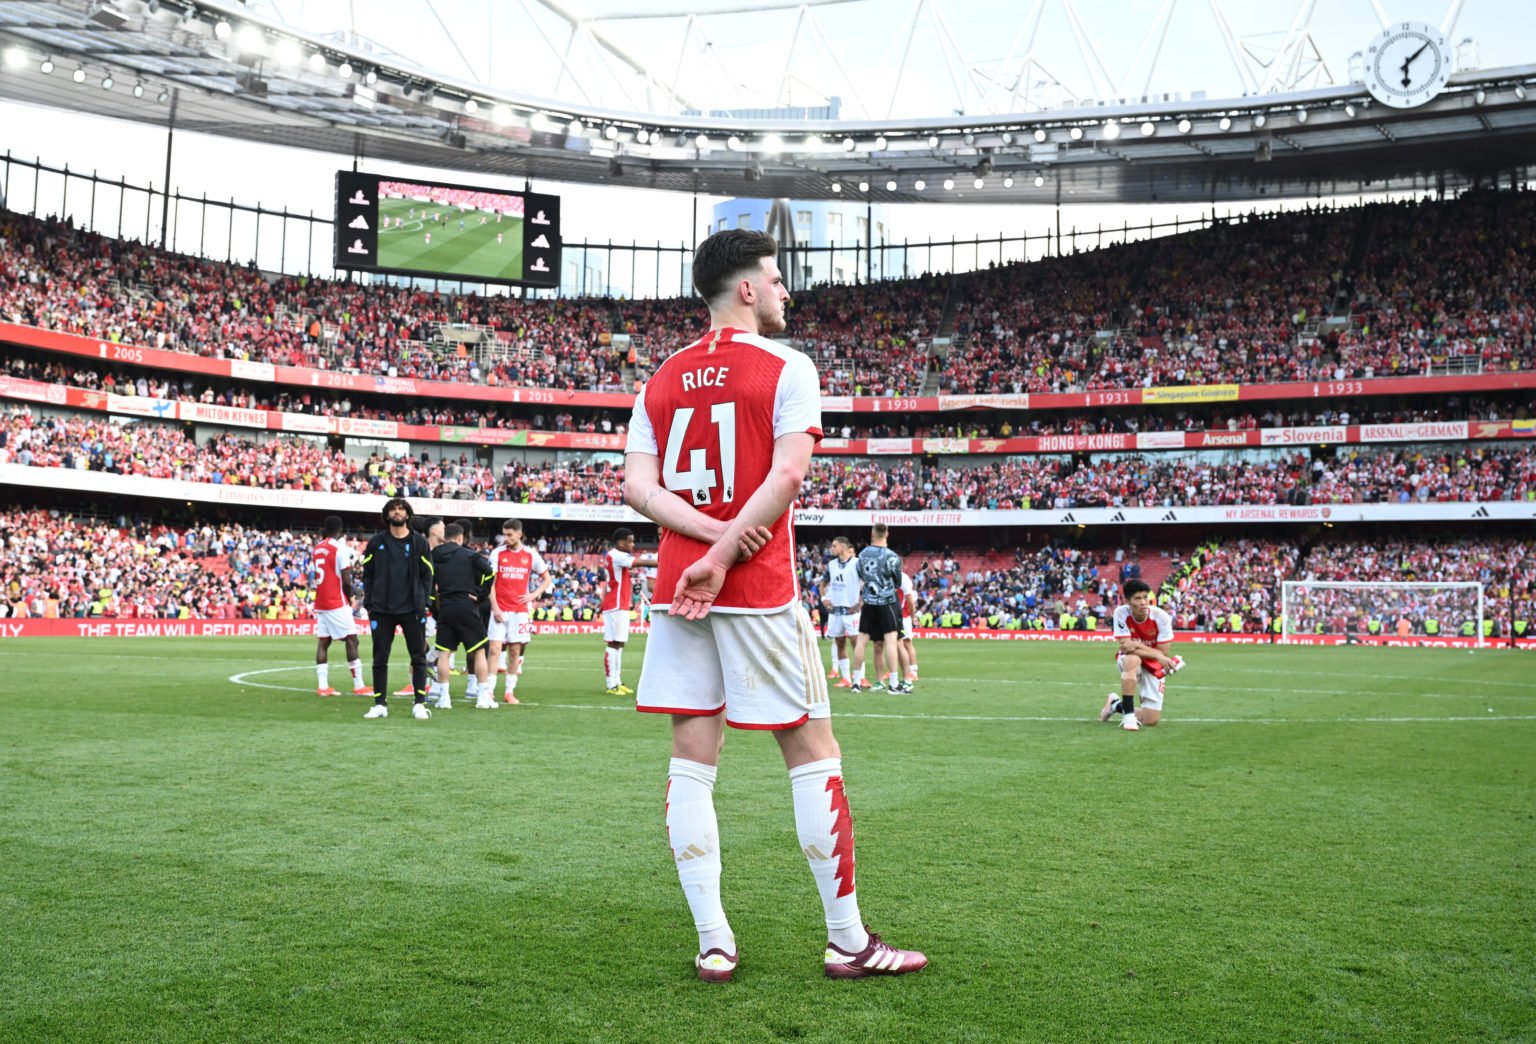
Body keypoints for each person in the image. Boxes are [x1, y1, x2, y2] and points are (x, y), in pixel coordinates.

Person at [622, 228, 925, 983]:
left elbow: (638, 488)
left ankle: (714, 941)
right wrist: (727, 554)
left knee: (692, 761)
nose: (788, 292)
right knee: (812, 754)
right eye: (779, 279)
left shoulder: (660, 376)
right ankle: (848, 940)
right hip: (755, 589)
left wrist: (701, 548)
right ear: (748, 289)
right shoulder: (788, 366)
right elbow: (788, 476)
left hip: (677, 592)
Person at [361, 498, 435, 720]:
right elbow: (368, 575)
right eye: (393, 509)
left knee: (418, 657)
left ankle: (419, 703)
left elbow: (428, 574)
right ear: (387, 515)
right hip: (382, 610)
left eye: (401, 508)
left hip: (412, 609)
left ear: (408, 514)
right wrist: (370, 603)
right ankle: (380, 704)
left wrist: (426, 602)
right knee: (380, 658)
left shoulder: (419, 543)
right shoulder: (376, 542)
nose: (397, 512)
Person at [1099, 578, 1186, 732]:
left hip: (1153, 663)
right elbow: (1126, 648)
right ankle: (1129, 717)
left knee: (1150, 720)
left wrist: (1139, 645)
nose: (1143, 602)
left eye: (1145, 597)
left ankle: (1115, 704)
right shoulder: (1121, 613)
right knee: (1132, 659)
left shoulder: (1161, 617)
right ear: (1128, 601)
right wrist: (1157, 655)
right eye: (1137, 598)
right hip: (1133, 659)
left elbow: (1163, 652)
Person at [428, 522, 494, 710]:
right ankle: (482, 696)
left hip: (446, 607)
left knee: (444, 653)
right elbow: (489, 572)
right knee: (479, 650)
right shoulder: (469, 555)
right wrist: (480, 594)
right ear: (460, 538)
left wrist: (434, 605)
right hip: (466, 605)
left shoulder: (434, 556)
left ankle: (444, 698)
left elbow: (428, 583)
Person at [487, 518, 551, 706]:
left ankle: (509, 691)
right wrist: (495, 606)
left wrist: (533, 595)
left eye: (509, 535)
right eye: (504, 534)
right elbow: (490, 582)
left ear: (519, 534)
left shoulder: (531, 555)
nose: (505, 538)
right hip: (500, 609)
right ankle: (488, 691)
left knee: (515, 651)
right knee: (494, 649)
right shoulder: (497, 554)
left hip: (520, 611)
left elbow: (547, 578)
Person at [311, 515, 370, 697]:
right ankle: (359, 685)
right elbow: (345, 579)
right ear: (340, 530)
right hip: (336, 600)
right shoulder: (340, 549)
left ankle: (323, 686)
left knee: (324, 641)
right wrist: (351, 594)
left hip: (321, 600)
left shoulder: (317, 548)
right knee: (352, 639)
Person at [599, 527, 657, 696]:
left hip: (621, 604)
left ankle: (617, 681)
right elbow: (640, 562)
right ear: (620, 542)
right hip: (615, 604)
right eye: (630, 541)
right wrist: (664, 561)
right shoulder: (616, 555)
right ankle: (611, 684)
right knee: (613, 643)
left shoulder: (618, 556)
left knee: (620, 643)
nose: (633, 544)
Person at [851, 524, 908, 693]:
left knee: (861, 641)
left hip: (869, 602)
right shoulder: (892, 557)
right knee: (891, 641)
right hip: (887, 602)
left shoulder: (862, 555)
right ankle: (893, 683)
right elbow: (898, 581)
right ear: (887, 534)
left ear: (872, 534)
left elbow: (861, 574)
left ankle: (856, 682)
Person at [822, 536, 861, 689]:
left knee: (856, 645)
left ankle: (859, 678)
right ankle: (846, 678)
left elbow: (867, 583)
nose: (831, 548)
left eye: (834, 546)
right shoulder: (831, 564)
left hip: (851, 612)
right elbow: (823, 583)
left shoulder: (857, 564)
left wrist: (860, 602)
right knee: (839, 644)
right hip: (835, 612)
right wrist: (825, 598)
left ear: (843, 548)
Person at [898, 569, 919, 683]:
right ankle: (895, 670)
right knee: (893, 642)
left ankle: (913, 671)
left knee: (907, 642)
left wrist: (913, 616)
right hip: (892, 614)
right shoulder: (887, 576)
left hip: (903, 615)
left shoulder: (903, 578)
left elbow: (910, 600)